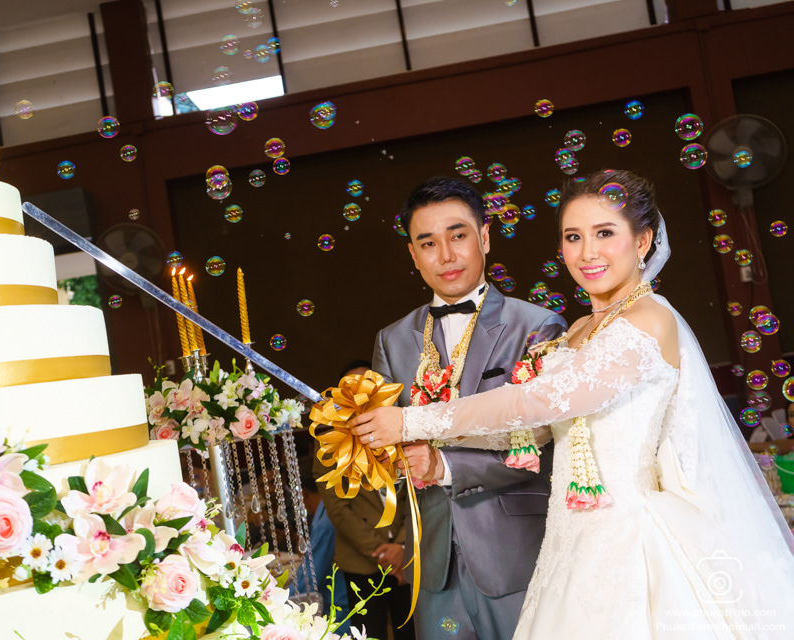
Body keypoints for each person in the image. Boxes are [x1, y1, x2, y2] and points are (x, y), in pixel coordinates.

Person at [351, 170, 794, 638]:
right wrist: (418, 449)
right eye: (573, 237)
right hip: (568, 539)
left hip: (628, 535)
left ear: (643, 241)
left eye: (605, 233)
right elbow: (531, 433)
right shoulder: (580, 330)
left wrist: (410, 421)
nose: (588, 253)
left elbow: (535, 401)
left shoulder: (649, 321)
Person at [371, 177, 566, 640]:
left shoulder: (537, 326)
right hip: (432, 565)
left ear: (485, 236)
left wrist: (444, 465)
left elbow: (548, 446)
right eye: (428, 243)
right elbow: (388, 450)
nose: (446, 255)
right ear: (413, 255)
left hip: (518, 556)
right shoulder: (392, 340)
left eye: (458, 235)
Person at [315, 360, 415, 640]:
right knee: (369, 634)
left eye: (366, 384)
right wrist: (383, 553)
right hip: (362, 560)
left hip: (407, 557)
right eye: (351, 387)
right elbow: (337, 509)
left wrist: (402, 547)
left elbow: (418, 493)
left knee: (412, 632)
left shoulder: (401, 428)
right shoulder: (329, 440)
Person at [293, 456, 351, 634]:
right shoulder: (326, 512)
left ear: (303, 494)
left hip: (338, 611)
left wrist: (280, 597)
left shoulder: (325, 521)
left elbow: (311, 576)